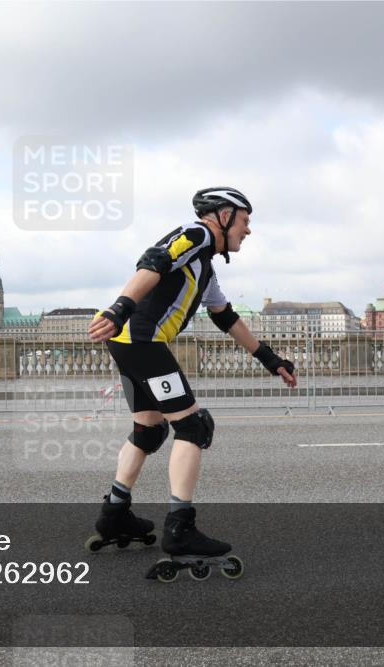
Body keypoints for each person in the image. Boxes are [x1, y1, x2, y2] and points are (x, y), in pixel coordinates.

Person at [86, 187, 297, 563]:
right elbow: (154, 260)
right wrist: (120, 307)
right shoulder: (197, 234)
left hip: (131, 342)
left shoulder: (205, 266)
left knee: (149, 430)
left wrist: (270, 359)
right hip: (141, 340)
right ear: (223, 215)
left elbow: (225, 316)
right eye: (245, 220)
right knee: (193, 426)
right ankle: (180, 528)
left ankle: (114, 514)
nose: (248, 230)